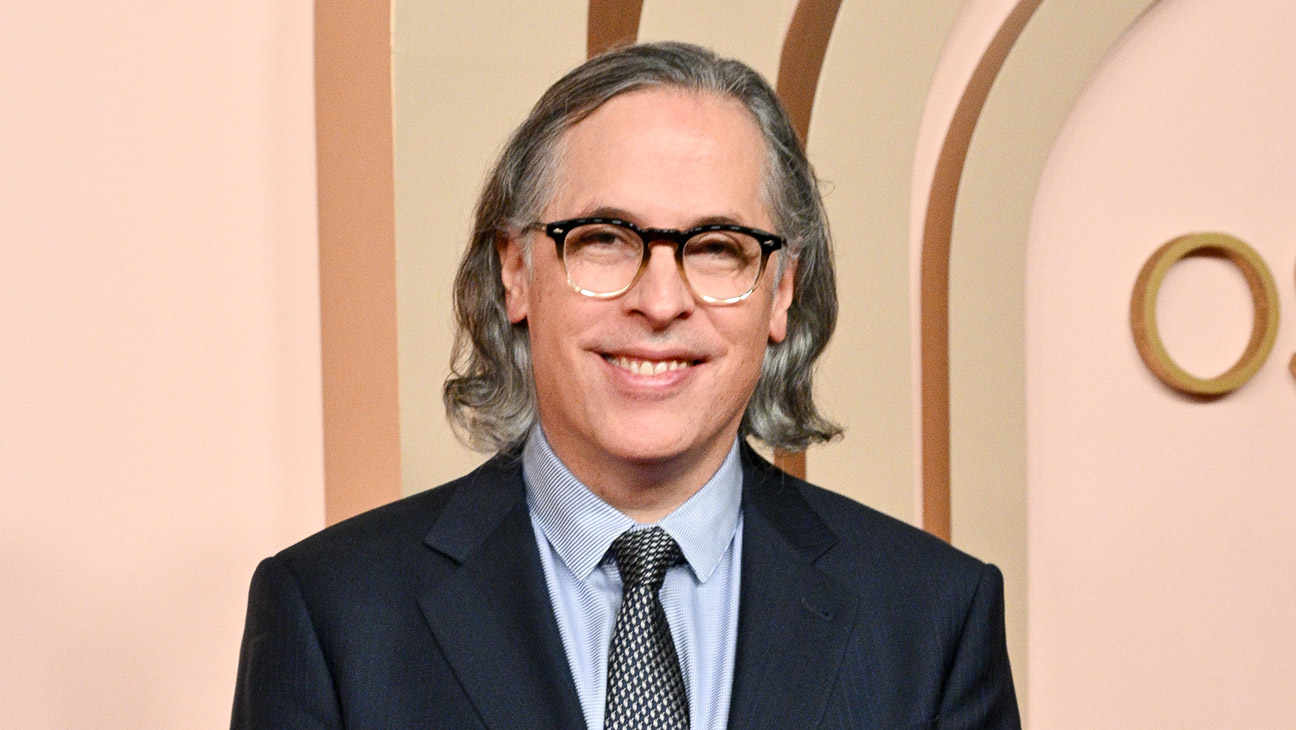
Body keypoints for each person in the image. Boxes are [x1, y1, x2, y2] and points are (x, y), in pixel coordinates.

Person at [232, 41, 1020, 730]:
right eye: (605, 239)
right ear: (515, 270)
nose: (660, 299)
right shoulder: (332, 616)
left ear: (781, 292)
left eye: (718, 246)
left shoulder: (932, 621)